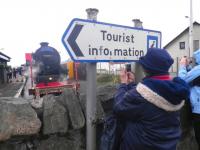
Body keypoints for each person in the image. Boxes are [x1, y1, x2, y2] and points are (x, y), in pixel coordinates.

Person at [114, 48, 190, 150]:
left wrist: (123, 84)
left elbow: (119, 107)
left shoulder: (140, 96)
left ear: (146, 69)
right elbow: (152, 91)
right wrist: (132, 84)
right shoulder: (176, 90)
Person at [178, 49, 200, 150]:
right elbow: (193, 77)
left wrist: (182, 65)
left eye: (194, 59)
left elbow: (182, 80)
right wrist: (188, 67)